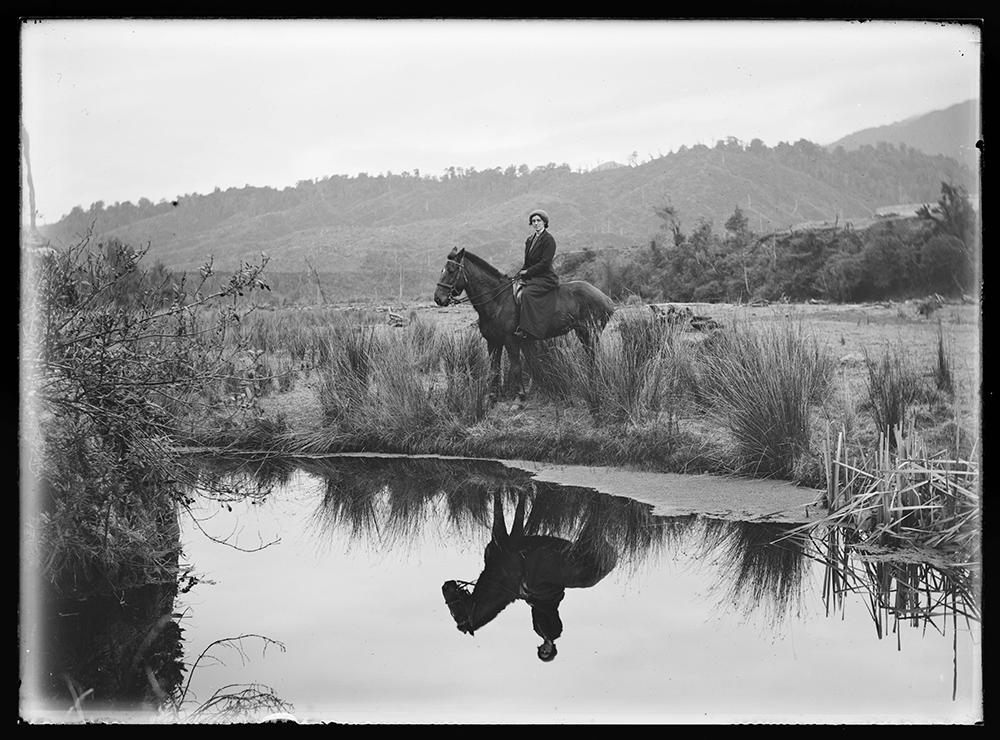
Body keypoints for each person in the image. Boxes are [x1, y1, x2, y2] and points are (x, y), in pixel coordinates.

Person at [513, 209, 560, 340]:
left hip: (546, 277)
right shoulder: (529, 240)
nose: (536, 223)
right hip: (532, 276)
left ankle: (527, 329)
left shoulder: (549, 240)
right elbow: (527, 262)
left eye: (538, 220)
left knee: (527, 294)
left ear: (544, 222)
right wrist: (519, 274)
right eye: (533, 221)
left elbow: (545, 263)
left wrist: (528, 272)